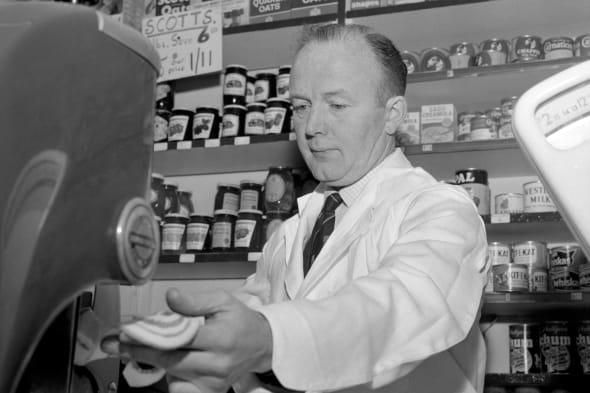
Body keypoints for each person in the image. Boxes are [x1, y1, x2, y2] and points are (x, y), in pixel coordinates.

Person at [102, 23, 489, 393]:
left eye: (337, 104)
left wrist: (269, 339)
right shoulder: (293, 231)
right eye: (301, 106)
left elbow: (399, 307)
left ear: (393, 114)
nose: (312, 126)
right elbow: (253, 310)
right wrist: (184, 341)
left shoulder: (441, 210)